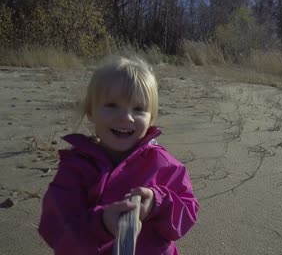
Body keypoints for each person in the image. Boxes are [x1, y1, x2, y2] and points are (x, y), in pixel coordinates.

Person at [38, 56, 199, 255]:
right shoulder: (75, 168)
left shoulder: (161, 163)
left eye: (138, 109)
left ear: (151, 118)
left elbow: (188, 212)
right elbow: (56, 230)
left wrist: (157, 203)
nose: (126, 117)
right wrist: (102, 224)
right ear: (91, 111)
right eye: (112, 105)